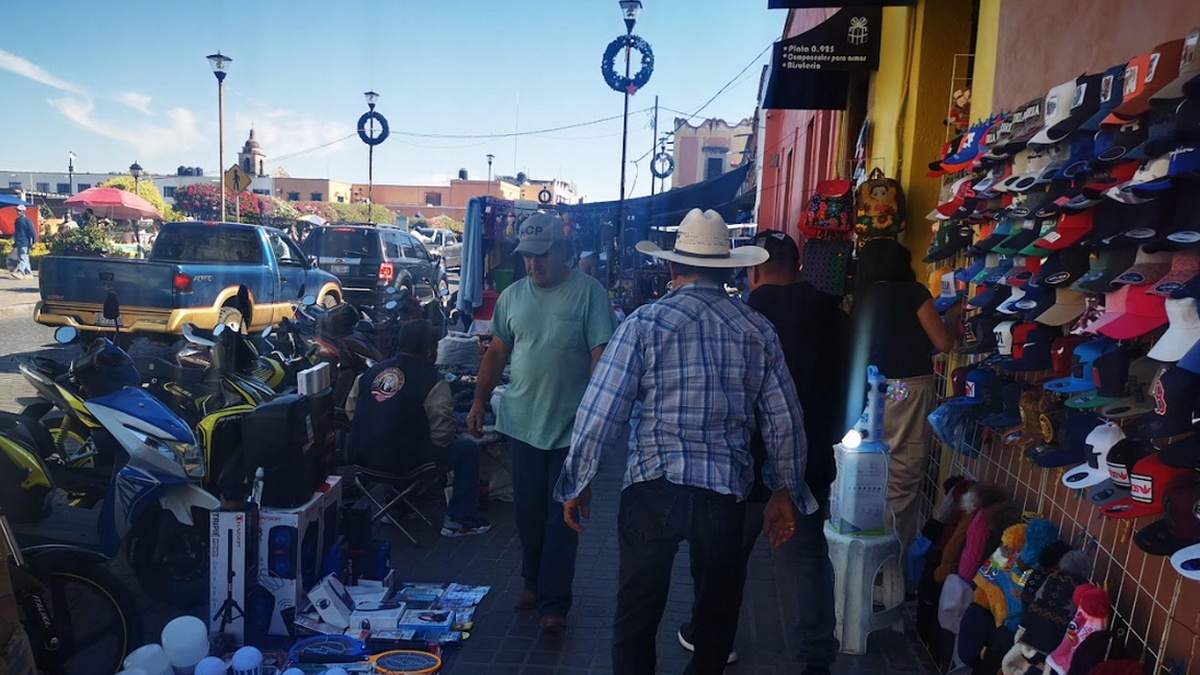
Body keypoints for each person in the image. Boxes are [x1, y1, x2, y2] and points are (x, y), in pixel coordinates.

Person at [556, 208, 814, 675]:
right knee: (716, 618)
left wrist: (579, 478)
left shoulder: (644, 324)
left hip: (652, 486)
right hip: (723, 492)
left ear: (673, 267)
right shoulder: (756, 330)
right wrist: (784, 489)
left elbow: (602, 411)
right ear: (728, 270)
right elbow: (784, 420)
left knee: (636, 618)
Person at [671, 229, 846, 673]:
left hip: (745, 459)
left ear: (754, 271)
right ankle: (817, 654)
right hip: (809, 460)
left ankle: (713, 638)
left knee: (726, 554)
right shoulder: (836, 314)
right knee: (808, 557)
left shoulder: (743, 317)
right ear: (799, 266)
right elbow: (852, 390)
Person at [466, 212, 615, 635]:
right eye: (527, 257)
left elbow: (600, 358)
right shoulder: (513, 297)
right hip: (522, 425)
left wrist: (597, 423)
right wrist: (479, 402)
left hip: (572, 429)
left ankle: (555, 602)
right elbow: (495, 353)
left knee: (561, 517)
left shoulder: (589, 295)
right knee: (528, 513)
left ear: (562, 251)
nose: (533, 265)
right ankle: (532, 580)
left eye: (541, 256)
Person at [850, 238, 957, 567]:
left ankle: (864, 556)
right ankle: (892, 567)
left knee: (870, 473)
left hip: (871, 390)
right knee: (904, 477)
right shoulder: (914, 293)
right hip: (910, 389)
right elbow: (942, 342)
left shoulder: (861, 299)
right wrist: (953, 312)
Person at [346, 319, 491, 538]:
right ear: (431, 351)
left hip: (361, 458)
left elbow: (351, 411)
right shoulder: (433, 380)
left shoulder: (371, 372)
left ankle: (396, 506)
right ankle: (459, 519)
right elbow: (442, 435)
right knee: (467, 449)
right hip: (404, 465)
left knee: (393, 436)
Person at [12, 205, 36, 279]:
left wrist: (34, 242)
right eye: (17, 210)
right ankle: (29, 273)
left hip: (25, 242)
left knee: (23, 257)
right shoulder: (17, 221)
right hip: (19, 242)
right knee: (25, 257)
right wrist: (15, 242)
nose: (18, 212)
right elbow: (17, 232)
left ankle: (20, 272)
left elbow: (33, 232)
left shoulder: (27, 221)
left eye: (19, 210)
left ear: (23, 211)